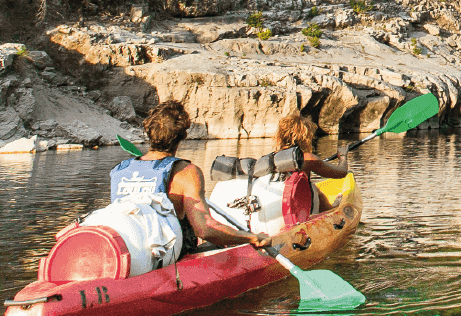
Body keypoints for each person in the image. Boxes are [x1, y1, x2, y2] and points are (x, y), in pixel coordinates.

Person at [111, 101, 272, 252]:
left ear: (148, 132)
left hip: (130, 250)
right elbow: (205, 229)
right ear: (183, 135)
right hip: (171, 254)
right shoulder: (187, 172)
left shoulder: (120, 169)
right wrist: (251, 237)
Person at [273, 115, 349, 226]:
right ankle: (332, 211)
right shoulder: (308, 158)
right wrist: (343, 156)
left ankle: (329, 209)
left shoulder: (273, 158)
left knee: (313, 186)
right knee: (312, 187)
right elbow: (342, 172)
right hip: (300, 212)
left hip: (279, 210)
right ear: (304, 137)